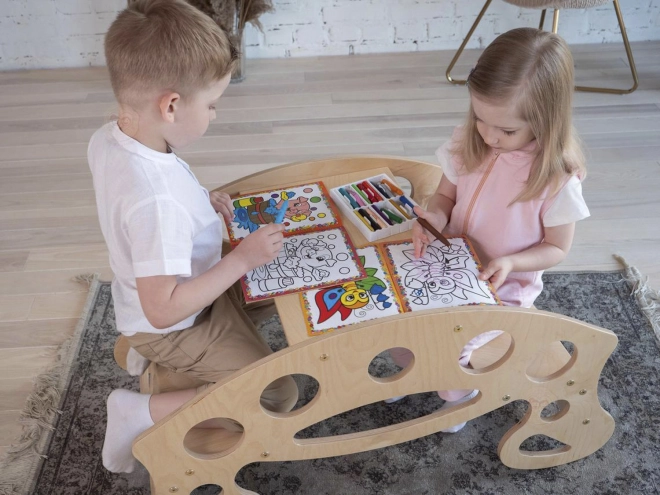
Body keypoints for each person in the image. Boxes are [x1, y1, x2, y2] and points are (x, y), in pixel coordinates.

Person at [88, 0, 298, 473]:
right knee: (278, 392)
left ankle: (162, 373)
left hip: (174, 293)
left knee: (280, 284)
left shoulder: (112, 136)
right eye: (211, 104)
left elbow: (148, 196)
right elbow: (163, 306)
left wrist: (201, 199)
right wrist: (241, 260)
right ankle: (139, 411)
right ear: (172, 105)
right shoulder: (155, 202)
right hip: (171, 320)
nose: (216, 115)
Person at [388, 27, 590, 432]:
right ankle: (414, 372)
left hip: (504, 287)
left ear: (545, 119)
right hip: (449, 261)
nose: (491, 136)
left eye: (507, 130)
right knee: (396, 310)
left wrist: (513, 261)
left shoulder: (556, 180)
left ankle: (457, 395)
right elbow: (444, 198)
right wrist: (435, 218)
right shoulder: (470, 142)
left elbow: (556, 249)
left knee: (454, 340)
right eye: (481, 119)